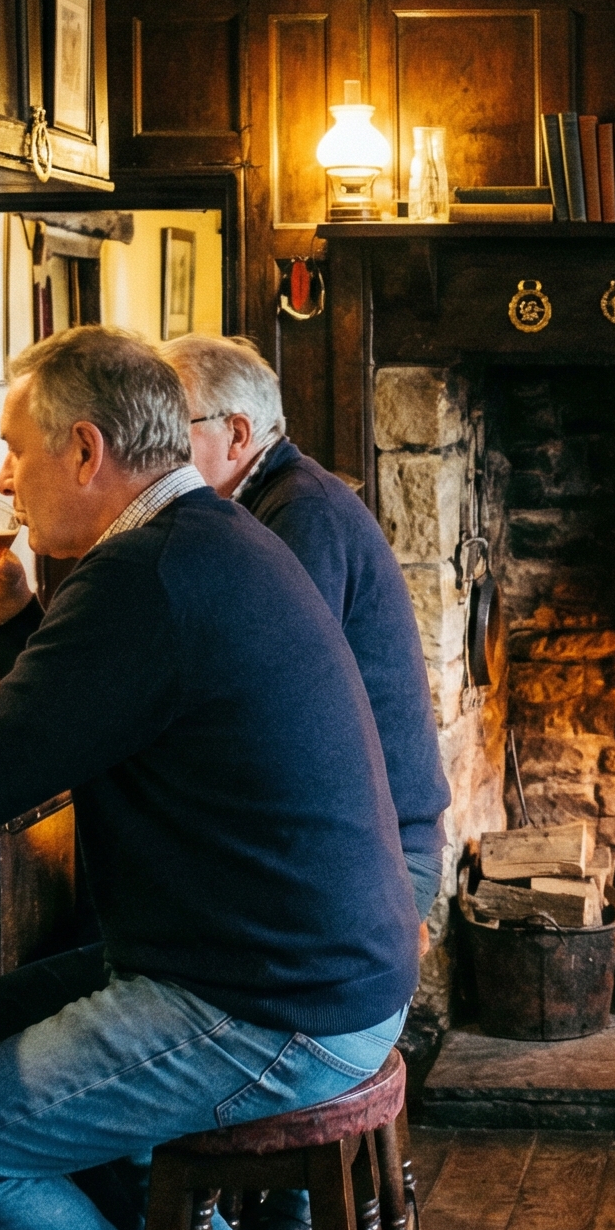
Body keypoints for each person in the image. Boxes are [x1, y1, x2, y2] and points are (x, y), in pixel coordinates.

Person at [0, 327, 419, 1230]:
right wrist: (15, 613)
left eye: (14, 449)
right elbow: (73, 718)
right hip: (324, 976)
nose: (1, 478)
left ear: (85, 450)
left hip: (272, 1006)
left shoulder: (145, 573)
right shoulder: (204, 540)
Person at [165, 333, 449, 924]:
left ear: (237, 434)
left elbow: (267, 701)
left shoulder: (300, 512)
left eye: (171, 427)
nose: (152, 449)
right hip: (352, 846)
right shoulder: (259, 507)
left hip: (381, 858)